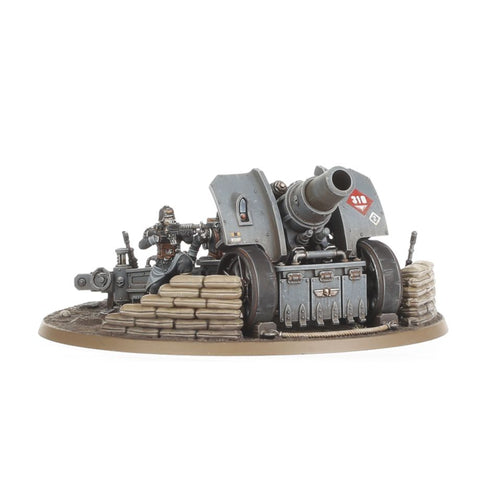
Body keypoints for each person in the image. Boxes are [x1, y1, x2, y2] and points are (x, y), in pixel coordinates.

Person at [139, 206, 202, 294]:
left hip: (175, 261)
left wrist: (186, 234)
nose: (170, 219)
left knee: (185, 261)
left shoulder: (177, 228)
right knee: (154, 288)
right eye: (167, 218)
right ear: (161, 219)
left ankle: (186, 288)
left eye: (172, 217)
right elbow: (141, 245)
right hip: (161, 265)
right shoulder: (156, 229)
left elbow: (189, 241)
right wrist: (155, 238)